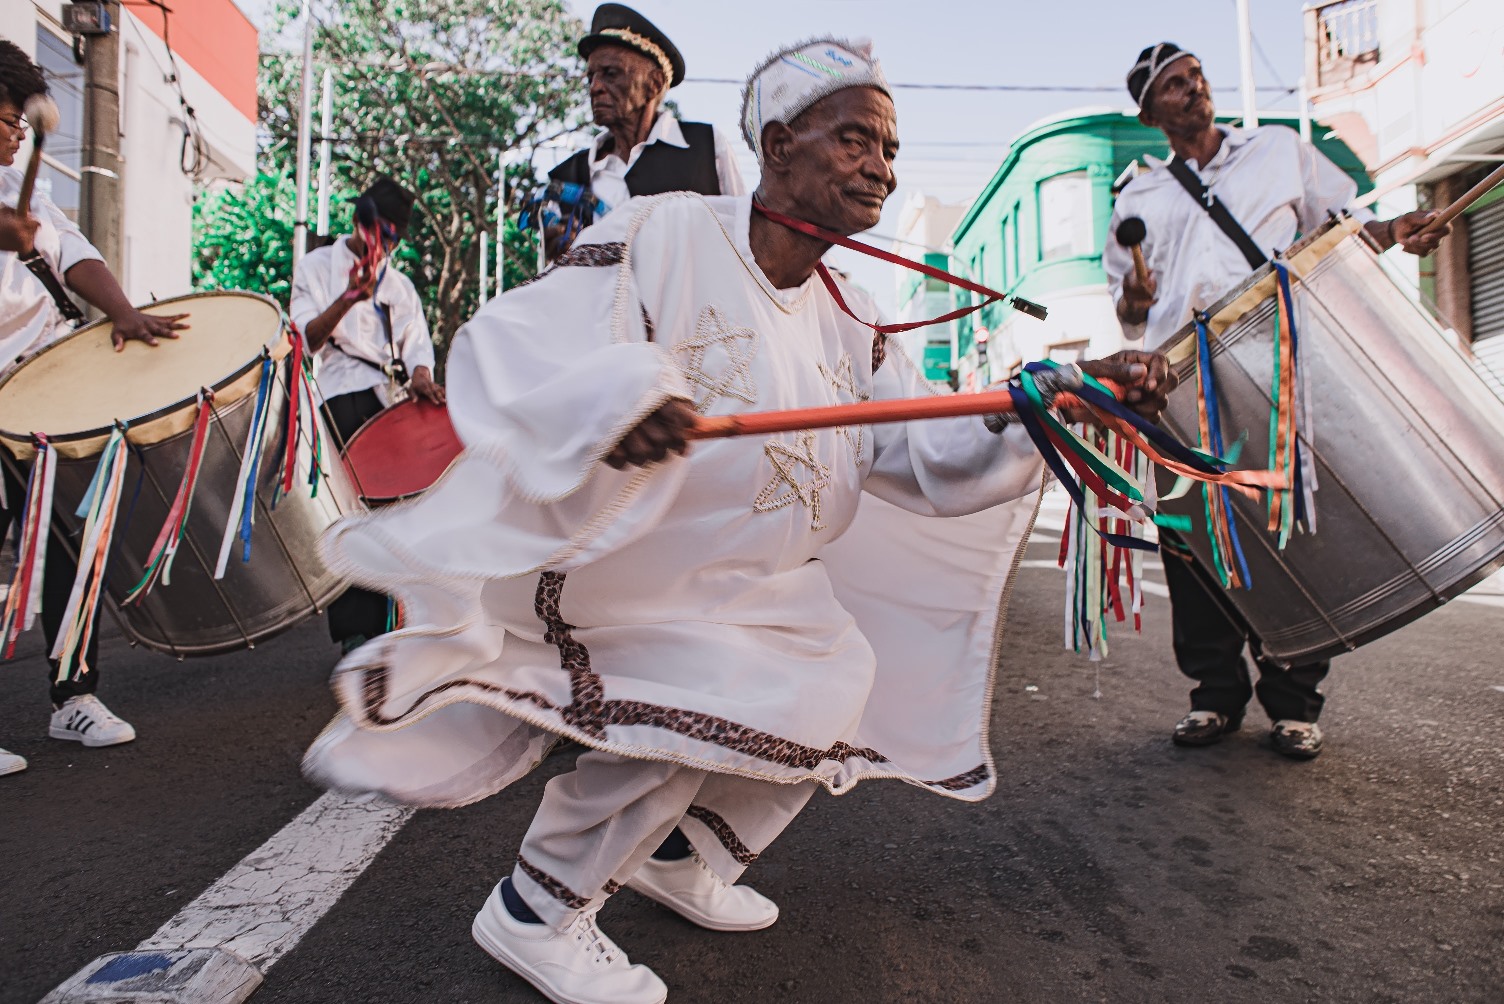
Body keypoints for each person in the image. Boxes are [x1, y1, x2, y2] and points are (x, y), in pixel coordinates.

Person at [304, 37, 1174, 1004]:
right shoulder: (669, 231)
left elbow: (918, 456)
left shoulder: (852, 308)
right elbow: (518, 340)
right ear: (776, 144)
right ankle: (535, 909)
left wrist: (1052, 410)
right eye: (855, 140)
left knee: (836, 680)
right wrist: (618, 404)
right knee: (726, 695)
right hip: (641, 572)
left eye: (890, 147)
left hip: (759, 588)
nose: (882, 166)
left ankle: (679, 858)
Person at [1103, 42, 1449, 760]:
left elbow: (1346, 226)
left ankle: (1294, 698)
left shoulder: (1279, 151)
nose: (1193, 89)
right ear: (1149, 112)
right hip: (1179, 381)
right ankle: (1214, 696)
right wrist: (1133, 300)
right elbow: (1132, 318)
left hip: (1274, 364)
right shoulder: (1137, 197)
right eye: (1173, 85)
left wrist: (1395, 232)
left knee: (1284, 525)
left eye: (1195, 75)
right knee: (1193, 540)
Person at [0, 40, 187, 776]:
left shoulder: (22, 181)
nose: (18, 130)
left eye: (21, 119)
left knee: (69, 549)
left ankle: (73, 698)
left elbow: (70, 251)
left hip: (43, 387)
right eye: (8, 116)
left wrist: (123, 312)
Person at [290, 176, 443, 655]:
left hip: (395, 404)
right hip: (342, 402)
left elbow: (419, 343)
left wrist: (421, 374)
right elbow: (305, 340)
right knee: (353, 516)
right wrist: (349, 298)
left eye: (393, 238)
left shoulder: (399, 285)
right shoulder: (317, 267)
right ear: (359, 221)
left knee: (403, 513)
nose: (383, 246)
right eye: (378, 232)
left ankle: (405, 625)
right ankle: (357, 637)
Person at [541, 3, 744, 257]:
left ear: (654, 83)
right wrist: (556, 258)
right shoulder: (569, 175)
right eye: (591, 76)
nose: (594, 87)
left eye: (610, 73)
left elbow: (743, 246)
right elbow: (556, 277)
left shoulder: (707, 147)